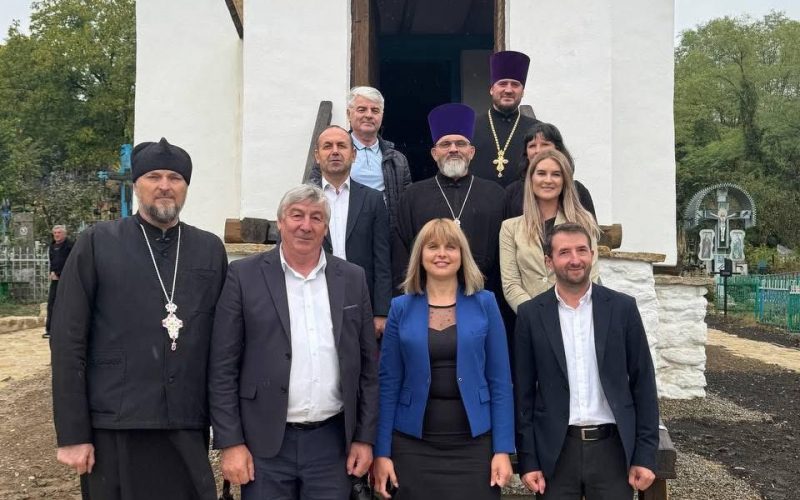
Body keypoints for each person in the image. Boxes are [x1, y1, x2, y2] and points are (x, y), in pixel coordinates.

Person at [51, 138, 228, 500]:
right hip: (115, 423)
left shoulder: (209, 249)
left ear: (186, 187)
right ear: (136, 185)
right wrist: (73, 434)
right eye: (154, 177)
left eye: (175, 178)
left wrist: (228, 433)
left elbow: (224, 345)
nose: (165, 186)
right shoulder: (97, 242)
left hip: (186, 422)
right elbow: (68, 341)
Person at [209, 184, 378, 500]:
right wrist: (231, 443)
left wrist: (364, 438)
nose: (306, 225)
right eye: (297, 215)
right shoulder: (243, 276)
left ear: (325, 228)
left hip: (332, 444)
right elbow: (222, 367)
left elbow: (369, 368)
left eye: (316, 218)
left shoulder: (353, 278)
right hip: (264, 445)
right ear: (280, 222)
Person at [514, 223, 659, 499]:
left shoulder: (623, 309)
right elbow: (524, 395)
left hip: (613, 451)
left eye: (582, 250)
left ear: (592, 255)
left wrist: (645, 454)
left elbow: (644, 383)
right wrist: (529, 460)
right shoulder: (531, 315)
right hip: (556, 452)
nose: (575, 259)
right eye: (564, 252)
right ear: (549, 261)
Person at [374, 218, 514, 500]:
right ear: (420, 255)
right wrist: (382, 452)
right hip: (412, 446)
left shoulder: (485, 303)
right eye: (432, 247)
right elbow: (388, 384)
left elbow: (500, 381)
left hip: (475, 446)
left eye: (450, 247)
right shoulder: (400, 308)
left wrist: (502, 449)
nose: (441, 254)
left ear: (462, 255)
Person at [393, 103, 506, 295]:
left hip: (483, 293)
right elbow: (401, 255)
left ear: (471, 152)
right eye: (445, 144)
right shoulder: (413, 196)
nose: (453, 149)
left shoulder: (496, 194)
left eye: (460, 143)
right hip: (427, 295)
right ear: (434, 153)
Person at [312, 125, 392, 337]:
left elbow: (382, 259)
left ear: (353, 155)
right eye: (327, 146)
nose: (335, 151)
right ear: (317, 156)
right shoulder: (303, 200)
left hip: (361, 297)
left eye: (341, 146)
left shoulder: (373, 199)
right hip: (315, 294)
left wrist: (381, 311)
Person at [500, 149, 601, 314]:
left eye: (556, 174)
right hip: (531, 318)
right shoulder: (510, 228)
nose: (548, 180)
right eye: (541, 173)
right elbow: (511, 284)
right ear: (531, 179)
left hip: (577, 315)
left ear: (564, 180)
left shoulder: (583, 222)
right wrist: (536, 316)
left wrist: (570, 313)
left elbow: (592, 275)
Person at [310, 86, 412, 231]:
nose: (369, 115)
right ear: (349, 114)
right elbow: (313, 191)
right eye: (362, 109)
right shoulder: (331, 153)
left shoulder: (397, 160)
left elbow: (406, 203)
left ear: (382, 115)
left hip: (383, 232)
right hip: (341, 229)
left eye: (375, 110)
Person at [471, 50, 540, 187]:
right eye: (502, 84)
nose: (508, 90)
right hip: (480, 199)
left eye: (515, 84)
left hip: (523, 199)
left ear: (522, 92)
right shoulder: (471, 127)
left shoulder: (537, 130)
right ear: (492, 89)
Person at [504, 122, 596, 219]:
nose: (538, 151)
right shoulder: (513, 193)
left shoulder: (578, 191)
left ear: (558, 150)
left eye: (545, 144)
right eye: (532, 146)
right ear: (526, 153)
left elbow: (590, 226)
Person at [43, 224, 73, 339]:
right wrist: (52, 272)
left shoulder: (70, 245)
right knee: (52, 303)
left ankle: (67, 329)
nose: (57, 235)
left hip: (67, 279)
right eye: (55, 233)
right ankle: (50, 330)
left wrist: (60, 274)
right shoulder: (52, 246)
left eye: (59, 233)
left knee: (67, 304)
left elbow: (71, 262)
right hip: (55, 279)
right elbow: (52, 261)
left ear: (64, 234)